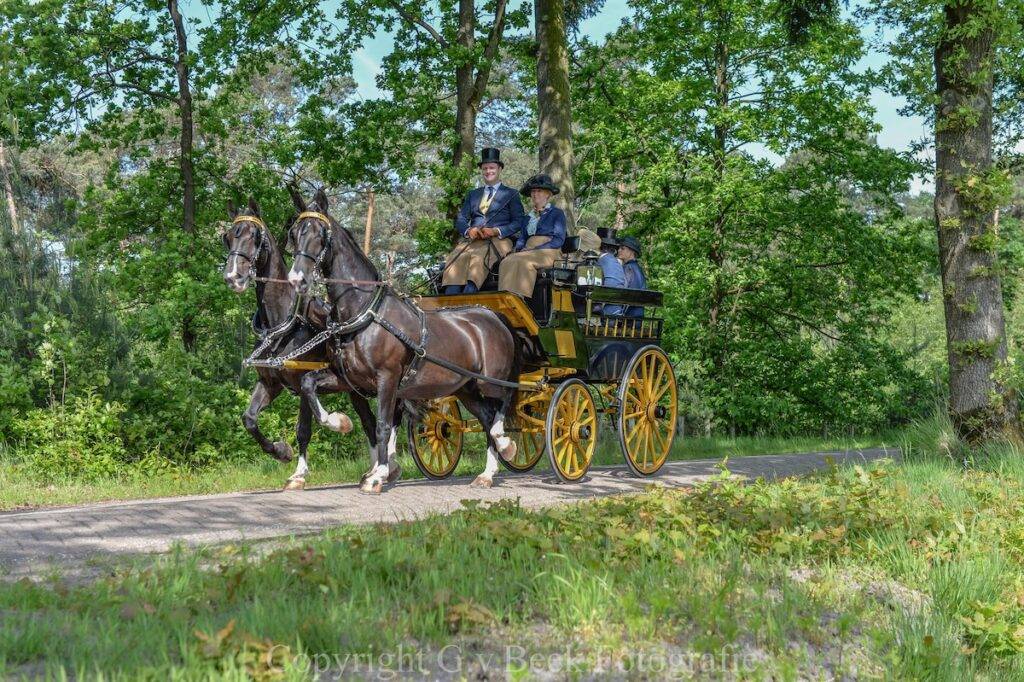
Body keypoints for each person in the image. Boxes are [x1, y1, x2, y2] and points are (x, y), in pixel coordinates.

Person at [441, 148, 526, 294]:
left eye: (492, 168)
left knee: (478, 259)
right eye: (485, 168)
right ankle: (449, 299)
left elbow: (519, 222)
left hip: (499, 240)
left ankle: (470, 296)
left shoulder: (511, 194)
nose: (488, 171)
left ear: (499, 169)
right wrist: (469, 230)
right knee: (455, 258)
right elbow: (461, 219)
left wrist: (496, 231)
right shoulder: (473, 194)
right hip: (473, 241)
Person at [497, 174, 566, 298]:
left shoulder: (557, 213)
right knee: (507, 261)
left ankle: (520, 299)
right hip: (528, 251)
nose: (535, 194)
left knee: (524, 261)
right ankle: (505, 298)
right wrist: (517, 250)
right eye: (533, 191)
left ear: (548, 194)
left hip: (549, 251)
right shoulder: (528, 217)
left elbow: (559, 240)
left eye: (539, 191)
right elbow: (522, 238)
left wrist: (535, 249)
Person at [596, 228, 626, 316]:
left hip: (605, 313)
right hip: (618, 311)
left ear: (602, 247)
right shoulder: (617, 263)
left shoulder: (601, 261)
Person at [617, 235, 647, 318]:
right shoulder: (638, 268)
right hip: (638, 316)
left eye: (622, 248)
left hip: (629, 318)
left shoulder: (628, 268)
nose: (619, 250)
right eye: (619, 248)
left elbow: (622, 292)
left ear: (631, 252)